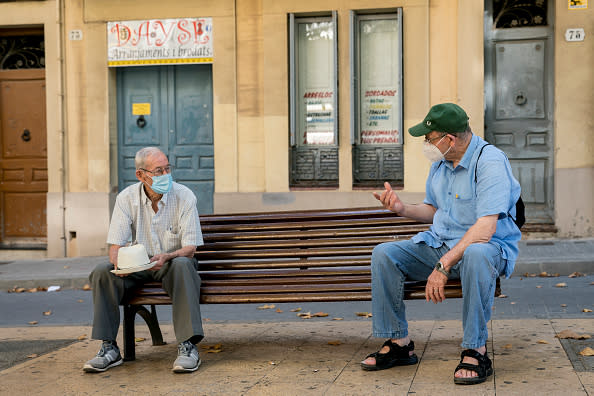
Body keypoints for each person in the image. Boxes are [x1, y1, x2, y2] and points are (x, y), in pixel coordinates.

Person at [360, 103, 521, 385]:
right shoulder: (441, 163)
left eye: (429, 138)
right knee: (384, 254)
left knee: (476, 253)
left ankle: (475, 350)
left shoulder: (490, 162)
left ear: (450, 139)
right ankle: (399, 343)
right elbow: (435, 210)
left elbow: (485, 228)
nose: (426, 144)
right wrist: (401, 208)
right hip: (441, 244)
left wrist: (444, 264)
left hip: (487, 250)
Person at [83, 147, 205, 373]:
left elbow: (190, 248)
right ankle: (109, 347)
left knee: (182, 265)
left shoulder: (184, 195)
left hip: (172, 264)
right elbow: (115, 245)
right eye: (158, 171)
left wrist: (167, 255)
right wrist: (120, 264)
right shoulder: (126, 198)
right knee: (102, 272)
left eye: (168, 168)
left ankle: (188, 346)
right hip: (138, 267)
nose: (165, 175)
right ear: (141, 175)